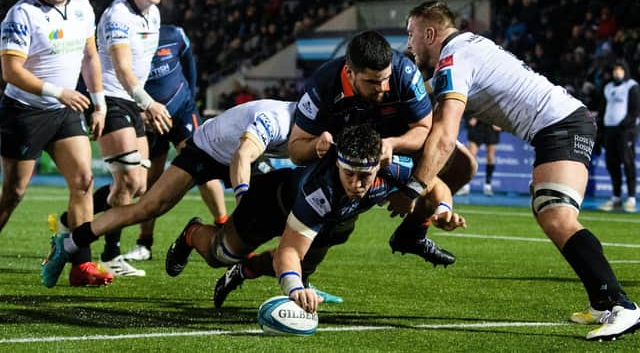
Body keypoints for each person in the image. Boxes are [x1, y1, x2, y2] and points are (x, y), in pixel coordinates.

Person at [401, 0, 640, 341]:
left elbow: (444, 135)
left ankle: (622, 306)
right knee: (550, 212)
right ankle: (603, 301)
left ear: (430, 33)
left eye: (411, 34)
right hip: (561, 123)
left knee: (556, 215)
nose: (409, 44)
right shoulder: (468, 47)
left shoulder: (454, 57)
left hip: (562, 125)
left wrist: (414, 188)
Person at [164, 124, 466, 312]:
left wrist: (443, 210)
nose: (358, 184)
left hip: (329, 219)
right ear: (338, 165)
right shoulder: (319, 190)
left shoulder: (393, 166)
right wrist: (295, 290)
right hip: (271, 203)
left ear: (381, 164)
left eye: (366, 176)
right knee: (221, 254)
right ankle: (192, 233)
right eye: (350, 174)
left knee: (303, 266)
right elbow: (289, 251)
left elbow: (436, 184)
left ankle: (244, 272)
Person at [39, 99, 296, 287]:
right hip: (207, 150)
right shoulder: (276, 120)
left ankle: (293, 280)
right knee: (147, 207)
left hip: (243, 152)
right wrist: (243, 200)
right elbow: (241, 155)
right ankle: (69, 243)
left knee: (282, 214)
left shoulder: (312, 126)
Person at [288, 30, 465, 267]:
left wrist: (392, 145)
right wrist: (316, 146)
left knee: (460, 164)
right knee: (334, 230)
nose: (382, 88)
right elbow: (295, 151)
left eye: (385, 78)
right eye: (372, 82)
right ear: (349, 73)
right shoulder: (322, 86)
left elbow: (424, 130)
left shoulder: (404, 74)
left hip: (394, 144)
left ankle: (412, 235)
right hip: (341, 157)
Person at [0, 0, 112, 287]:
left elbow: (90, 56)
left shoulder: (82, 6)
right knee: (14, 192)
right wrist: (57, 91)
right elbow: (10, 71)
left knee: (84, 181)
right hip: (24, 113)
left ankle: (82, 266)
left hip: (64, 111)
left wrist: (99, 103)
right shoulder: (21, 15)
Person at [89, 0, 172, 277]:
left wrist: (141, 104)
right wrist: (148, 102)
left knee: (138, 187)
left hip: (132, 102)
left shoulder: (154, 14)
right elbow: (123, 69)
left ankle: (73, 224)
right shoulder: (117, 16)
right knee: (129, 180)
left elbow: (141, 67)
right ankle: (110, 255)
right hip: (109, 98)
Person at [120, 24, 228, 261]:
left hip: (181, 111)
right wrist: (138, 113)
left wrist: (190, 92)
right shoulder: (124, 43)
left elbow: (189, 61)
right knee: (150, 181)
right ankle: (144, 244)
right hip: (149, 118)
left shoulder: (174, 34)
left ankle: (224, 228)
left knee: (205, 169)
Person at [598, 61, 640, 213]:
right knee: (612, 163)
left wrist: (625, 126)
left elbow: (635, 111)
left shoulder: (632, 86)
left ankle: (631, 198)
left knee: (627, 162)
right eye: (615, 70)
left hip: (626, 131)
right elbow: (603, 109)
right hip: (610, 131)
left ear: (625, 71)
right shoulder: (608, 87)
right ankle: (616, 197)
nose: (617, 73)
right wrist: (601, 130)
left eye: (620, 70)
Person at [458, 118, 501, 196]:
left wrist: (500, 123)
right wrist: (471, 118)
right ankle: (465, 186)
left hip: (491, 125)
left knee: (490, 157)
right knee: (470, 156)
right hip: (477, 125)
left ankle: (488, 186)